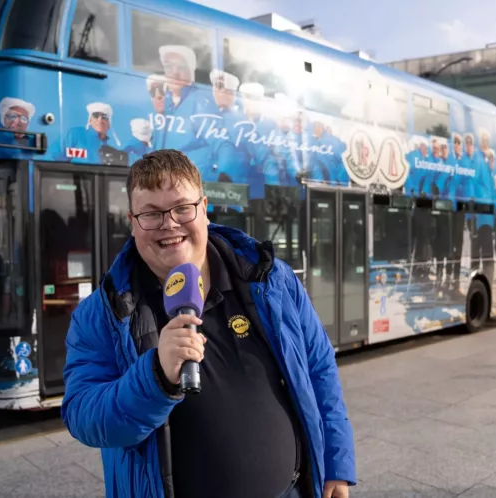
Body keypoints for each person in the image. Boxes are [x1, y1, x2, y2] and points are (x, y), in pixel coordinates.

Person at [61, 149, 356, 498]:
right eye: (151, 214)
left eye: (182, 208)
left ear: (204, 207)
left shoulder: (272, 280)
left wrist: (336, 464)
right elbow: (83, 415)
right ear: (132, 221)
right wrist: (155, 376)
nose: (169, 224)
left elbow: (319, 369)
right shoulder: (102, 312)